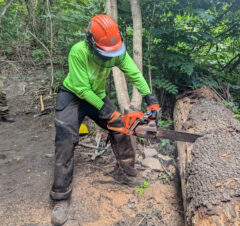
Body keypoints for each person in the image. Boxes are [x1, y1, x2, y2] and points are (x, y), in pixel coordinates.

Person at [50, 14, 159, 225]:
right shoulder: (78, 52)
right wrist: (112, 114)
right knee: (65, 140)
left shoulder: (116, 52)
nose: (109, 58)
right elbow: (82, 89)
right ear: (91, 42)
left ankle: (125, 173)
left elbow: (134, 73)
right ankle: (60, 196)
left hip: (97, 95)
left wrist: (150, 99)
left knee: (121, 129)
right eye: (104, 54)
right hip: (72, 95)